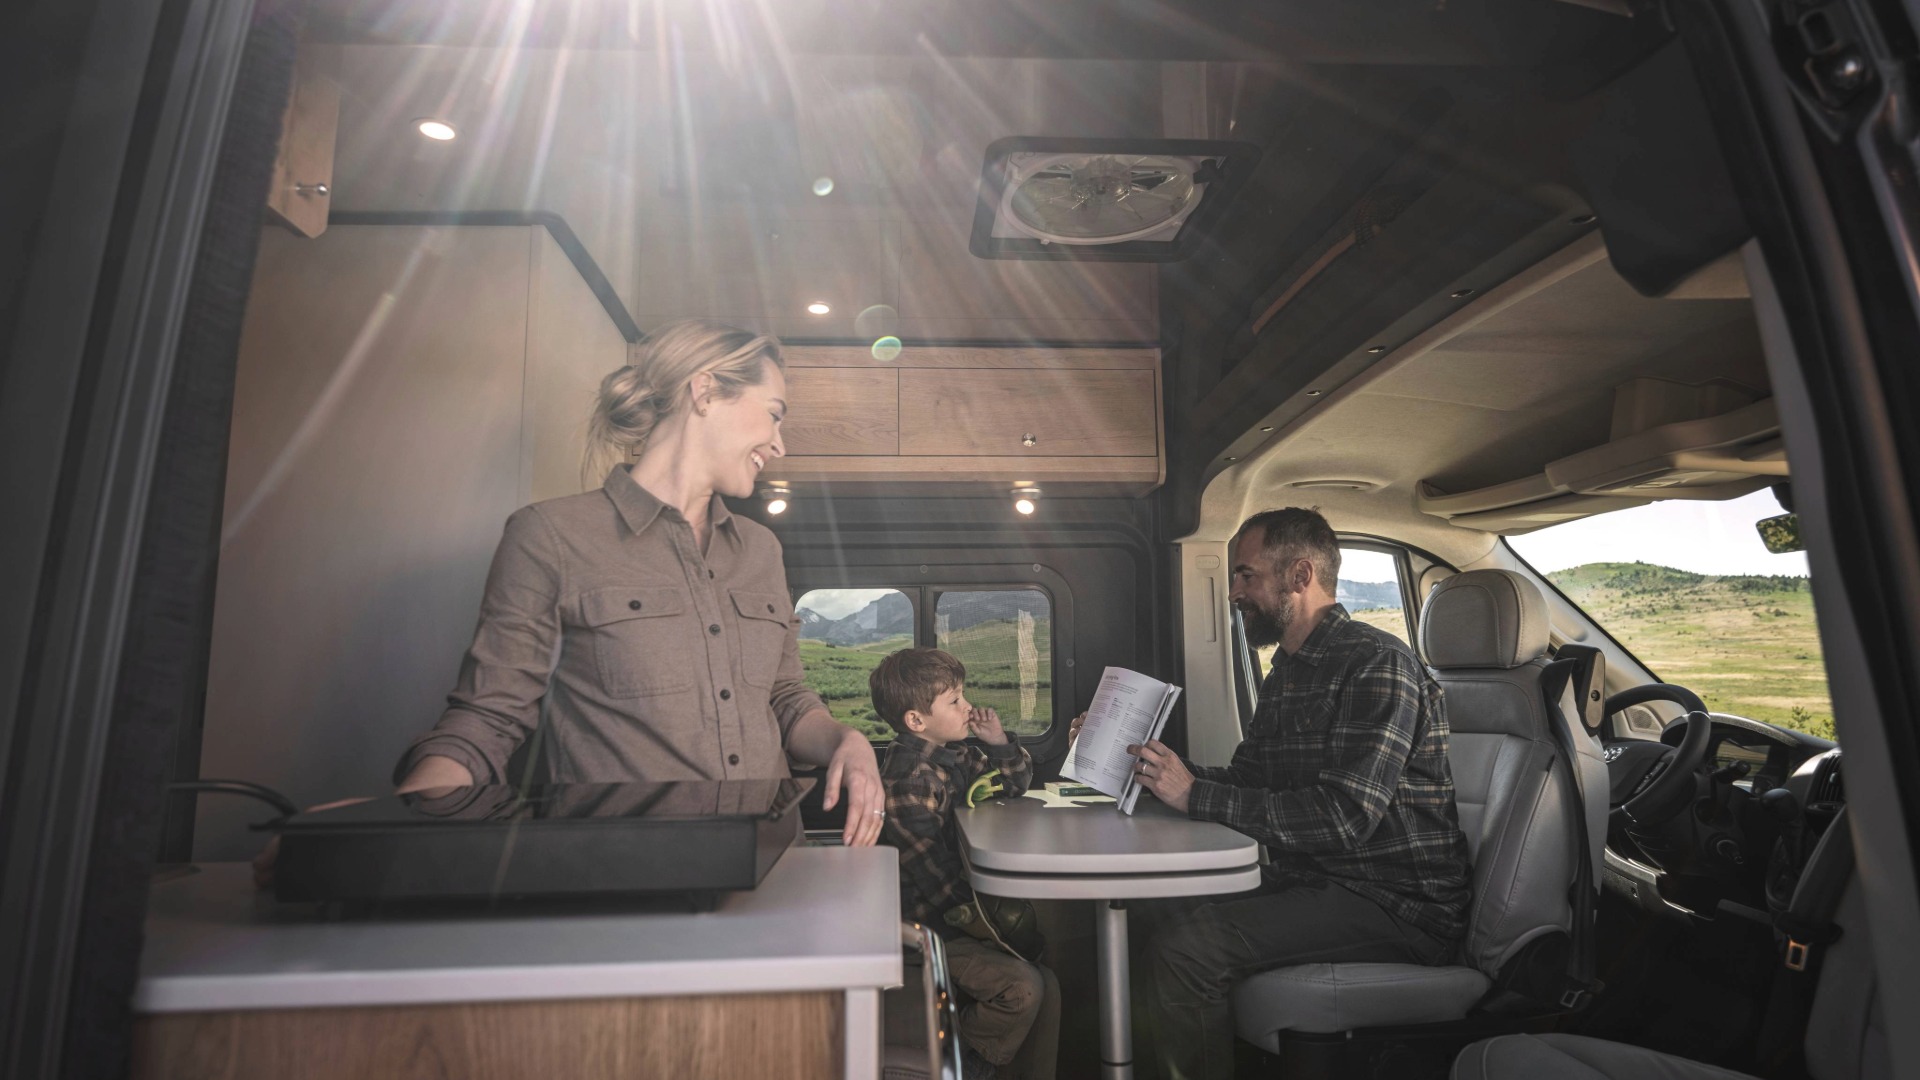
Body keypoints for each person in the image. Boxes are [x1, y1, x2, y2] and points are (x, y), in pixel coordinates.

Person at [391, 320, 885, 844]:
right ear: (706, 390)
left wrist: (846, 741)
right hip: (625, 868)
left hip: (775, 857)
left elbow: (785, 697)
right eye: (774, 415)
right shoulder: (550, 535)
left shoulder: (762, 549)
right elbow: (490, 715)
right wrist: (386, 823)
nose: (779, 444)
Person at [1122, 507, 1472, 1079]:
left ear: (1300, 577)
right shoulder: (1287, 668)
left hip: (1393, 903)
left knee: (1186, 951)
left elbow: (1344, 819)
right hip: (1316, 881)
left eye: (1246, 576)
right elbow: (1250, 778)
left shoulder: (1377, 665)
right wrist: (1160, 769)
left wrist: (1196, 797)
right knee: (1149, 911)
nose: (1234, 591)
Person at [872, 648, 1061, 1080]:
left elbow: (1012, 784)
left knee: (1046, 968)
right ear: (916, 721)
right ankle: (966, 1064)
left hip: (950, 913)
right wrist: (996, 930)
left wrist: (997, 742)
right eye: (954, 701)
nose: (968, 708)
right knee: (1024, 988)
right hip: (924, 927)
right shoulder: (909, 780)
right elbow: (938, 884)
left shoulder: (950, 755)